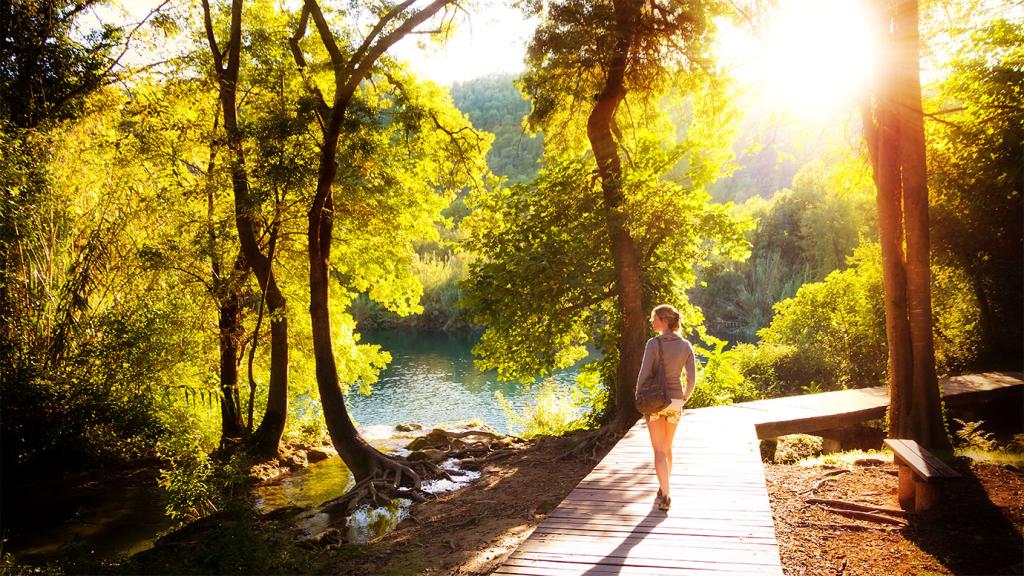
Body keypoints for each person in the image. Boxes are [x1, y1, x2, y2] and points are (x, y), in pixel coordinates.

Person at [637, 304, 696, 511]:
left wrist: (638, 396)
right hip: (676, 402)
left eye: (654, 319)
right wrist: (684, 398)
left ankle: (666, 495)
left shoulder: (653, 344)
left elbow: (644, 374)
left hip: (655, 402)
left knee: (659, 451)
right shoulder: (686, 345)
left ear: (664, 320)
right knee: (668, 447)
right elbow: (691, 379)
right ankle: (664, 488)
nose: (652, 322)